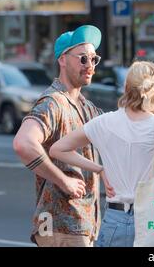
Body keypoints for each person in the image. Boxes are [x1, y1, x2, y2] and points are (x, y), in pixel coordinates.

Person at [49, 61, 154, 247]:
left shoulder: (104, 122)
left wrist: (99, 168)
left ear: (126, 87)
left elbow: (57, 149)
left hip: (115, 220)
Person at [13, 25, 115, 247]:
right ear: (62, 59)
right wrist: (63, 180)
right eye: (82, 59)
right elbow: (23, 143)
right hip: (62, 225)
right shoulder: (52, 103)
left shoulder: (86, 107)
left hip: (80, 225)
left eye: (93, 59)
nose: (89, 65)